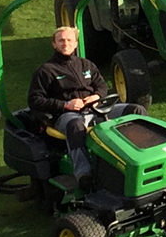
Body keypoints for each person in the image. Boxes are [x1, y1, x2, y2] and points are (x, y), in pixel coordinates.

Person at [28, 27, 111, 186]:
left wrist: (97, 96)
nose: (65, 43)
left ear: (75, 43)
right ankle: (83, 174)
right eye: (61, 40)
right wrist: (66, 104)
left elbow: (102, 86)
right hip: (66, 116)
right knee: (75, 126)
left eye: (69, 40)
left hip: (95, 109)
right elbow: (34, 99)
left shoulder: (86, 65)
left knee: (134, 111)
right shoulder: (46, 71)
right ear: (54, 44)